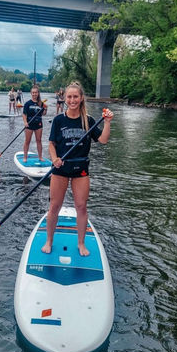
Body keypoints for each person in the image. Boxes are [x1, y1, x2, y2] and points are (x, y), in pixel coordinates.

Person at [41, 81, 113, 256]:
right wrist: (54, 158)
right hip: (61, 168)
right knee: (54, 206)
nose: (72, 100)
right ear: (64, 98)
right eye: (69, 97)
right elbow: (51, 144)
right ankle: (49, 241)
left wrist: (108, 122)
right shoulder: (59, 120)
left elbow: (102, 140)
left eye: (75, 97)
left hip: (80, 168)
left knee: (81, 206)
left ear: (81, 98)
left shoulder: (88, 121)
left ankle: (81, 243)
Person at [22, 85, 47, 162]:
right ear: (31, 93)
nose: (34, 94)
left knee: (39, 140)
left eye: (36, 92)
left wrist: (45, 108)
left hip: (38, 124)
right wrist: (25, 122)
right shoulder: (27, 103)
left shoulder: (41, 103)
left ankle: (40, 157)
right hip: (29, 124)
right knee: (27, 141)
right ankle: (25, 157)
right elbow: (24, 114)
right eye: (33, 93)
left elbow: (44, 114)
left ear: (38, 93)